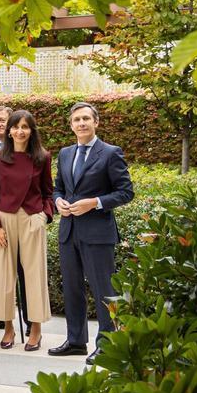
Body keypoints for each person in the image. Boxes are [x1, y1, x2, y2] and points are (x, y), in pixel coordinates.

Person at [49, 102, 134, 364]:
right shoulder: (64, 153)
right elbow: (58, 187)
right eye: (77, 120)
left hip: (98, 233)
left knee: (103, 291)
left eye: (86, 118)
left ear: (96, 122)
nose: (81, 123)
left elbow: (125, 192)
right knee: (72, 288)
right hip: (68, 231)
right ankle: (76, 341)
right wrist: (59, 202)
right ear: (71, 125)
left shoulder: (110, 153)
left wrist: (94, 202)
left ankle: (107, 345)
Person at [0, 110, 54, 351]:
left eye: (25, 127)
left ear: (31, 130)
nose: (19, 131)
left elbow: (48, 192)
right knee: (3, 276)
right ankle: (8, 328)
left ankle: (36, 329)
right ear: (9, 130)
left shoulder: (42, 157)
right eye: (15, 127)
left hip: (31, 218)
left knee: (35, 275)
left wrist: (44, 216)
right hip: (4, 219)